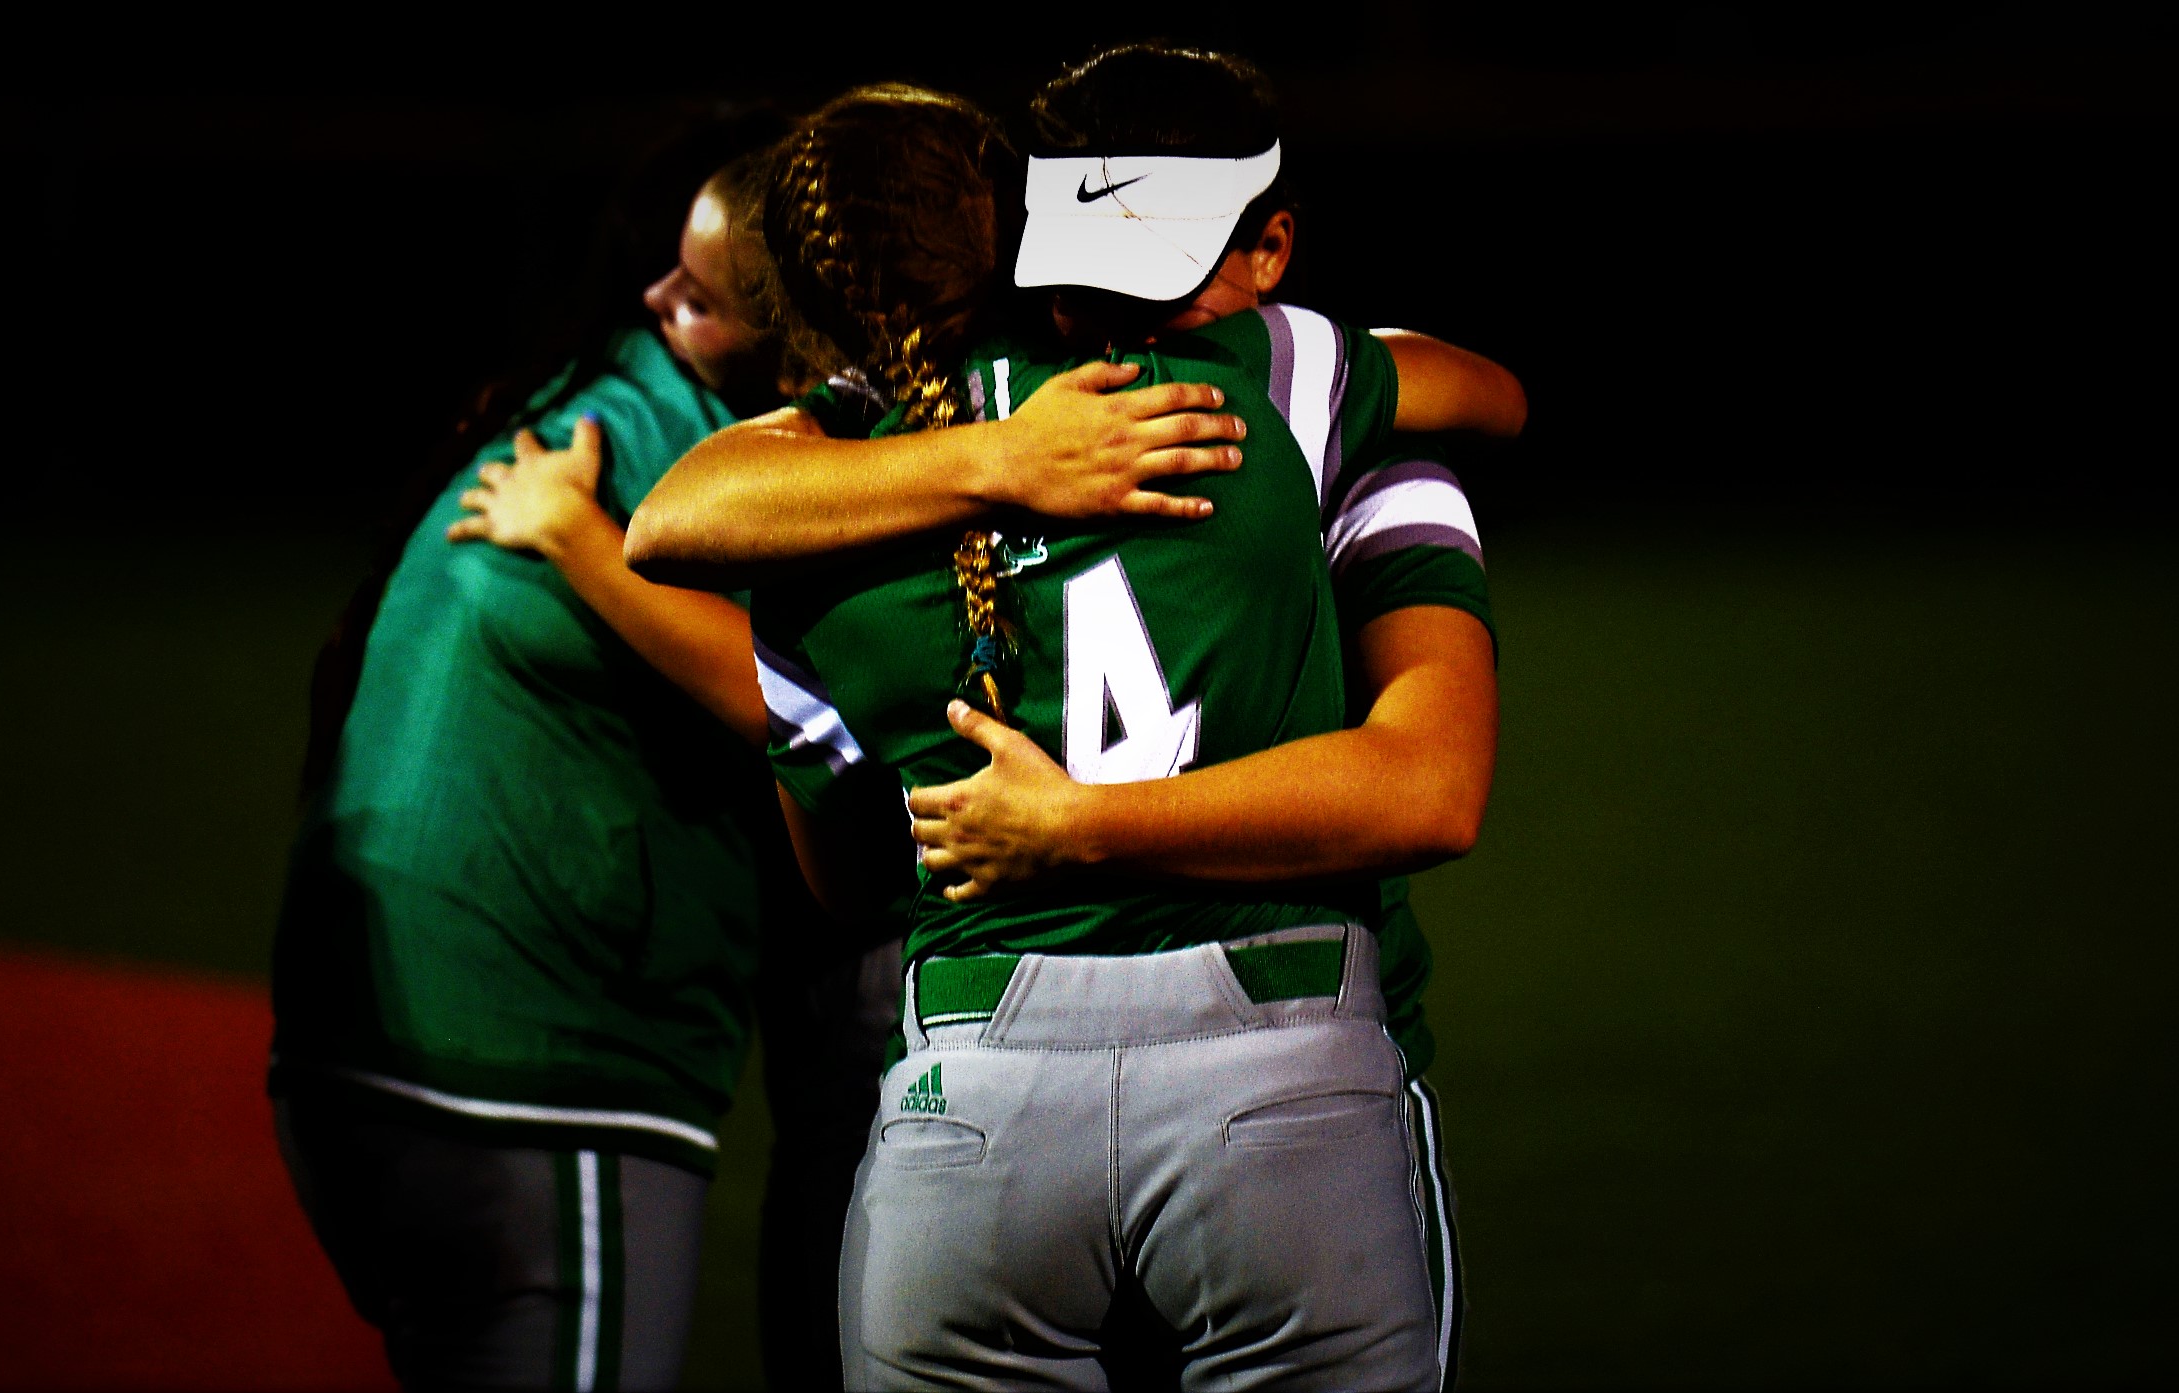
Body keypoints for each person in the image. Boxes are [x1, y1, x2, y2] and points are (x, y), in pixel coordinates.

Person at [626, 57, 1508, 1390]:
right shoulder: (1274, 387)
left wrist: (1057, 821)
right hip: (1288, 1077)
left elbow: (846, 874)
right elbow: (1484, 400)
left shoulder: (811, 528)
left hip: (971, 1106)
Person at [268, 122, 817, 1391]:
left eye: (705, 292)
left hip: (356, 1054)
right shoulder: (702, 449)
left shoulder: (584, 393)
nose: (663, 297)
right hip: (528, 1079)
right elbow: (815, 714)